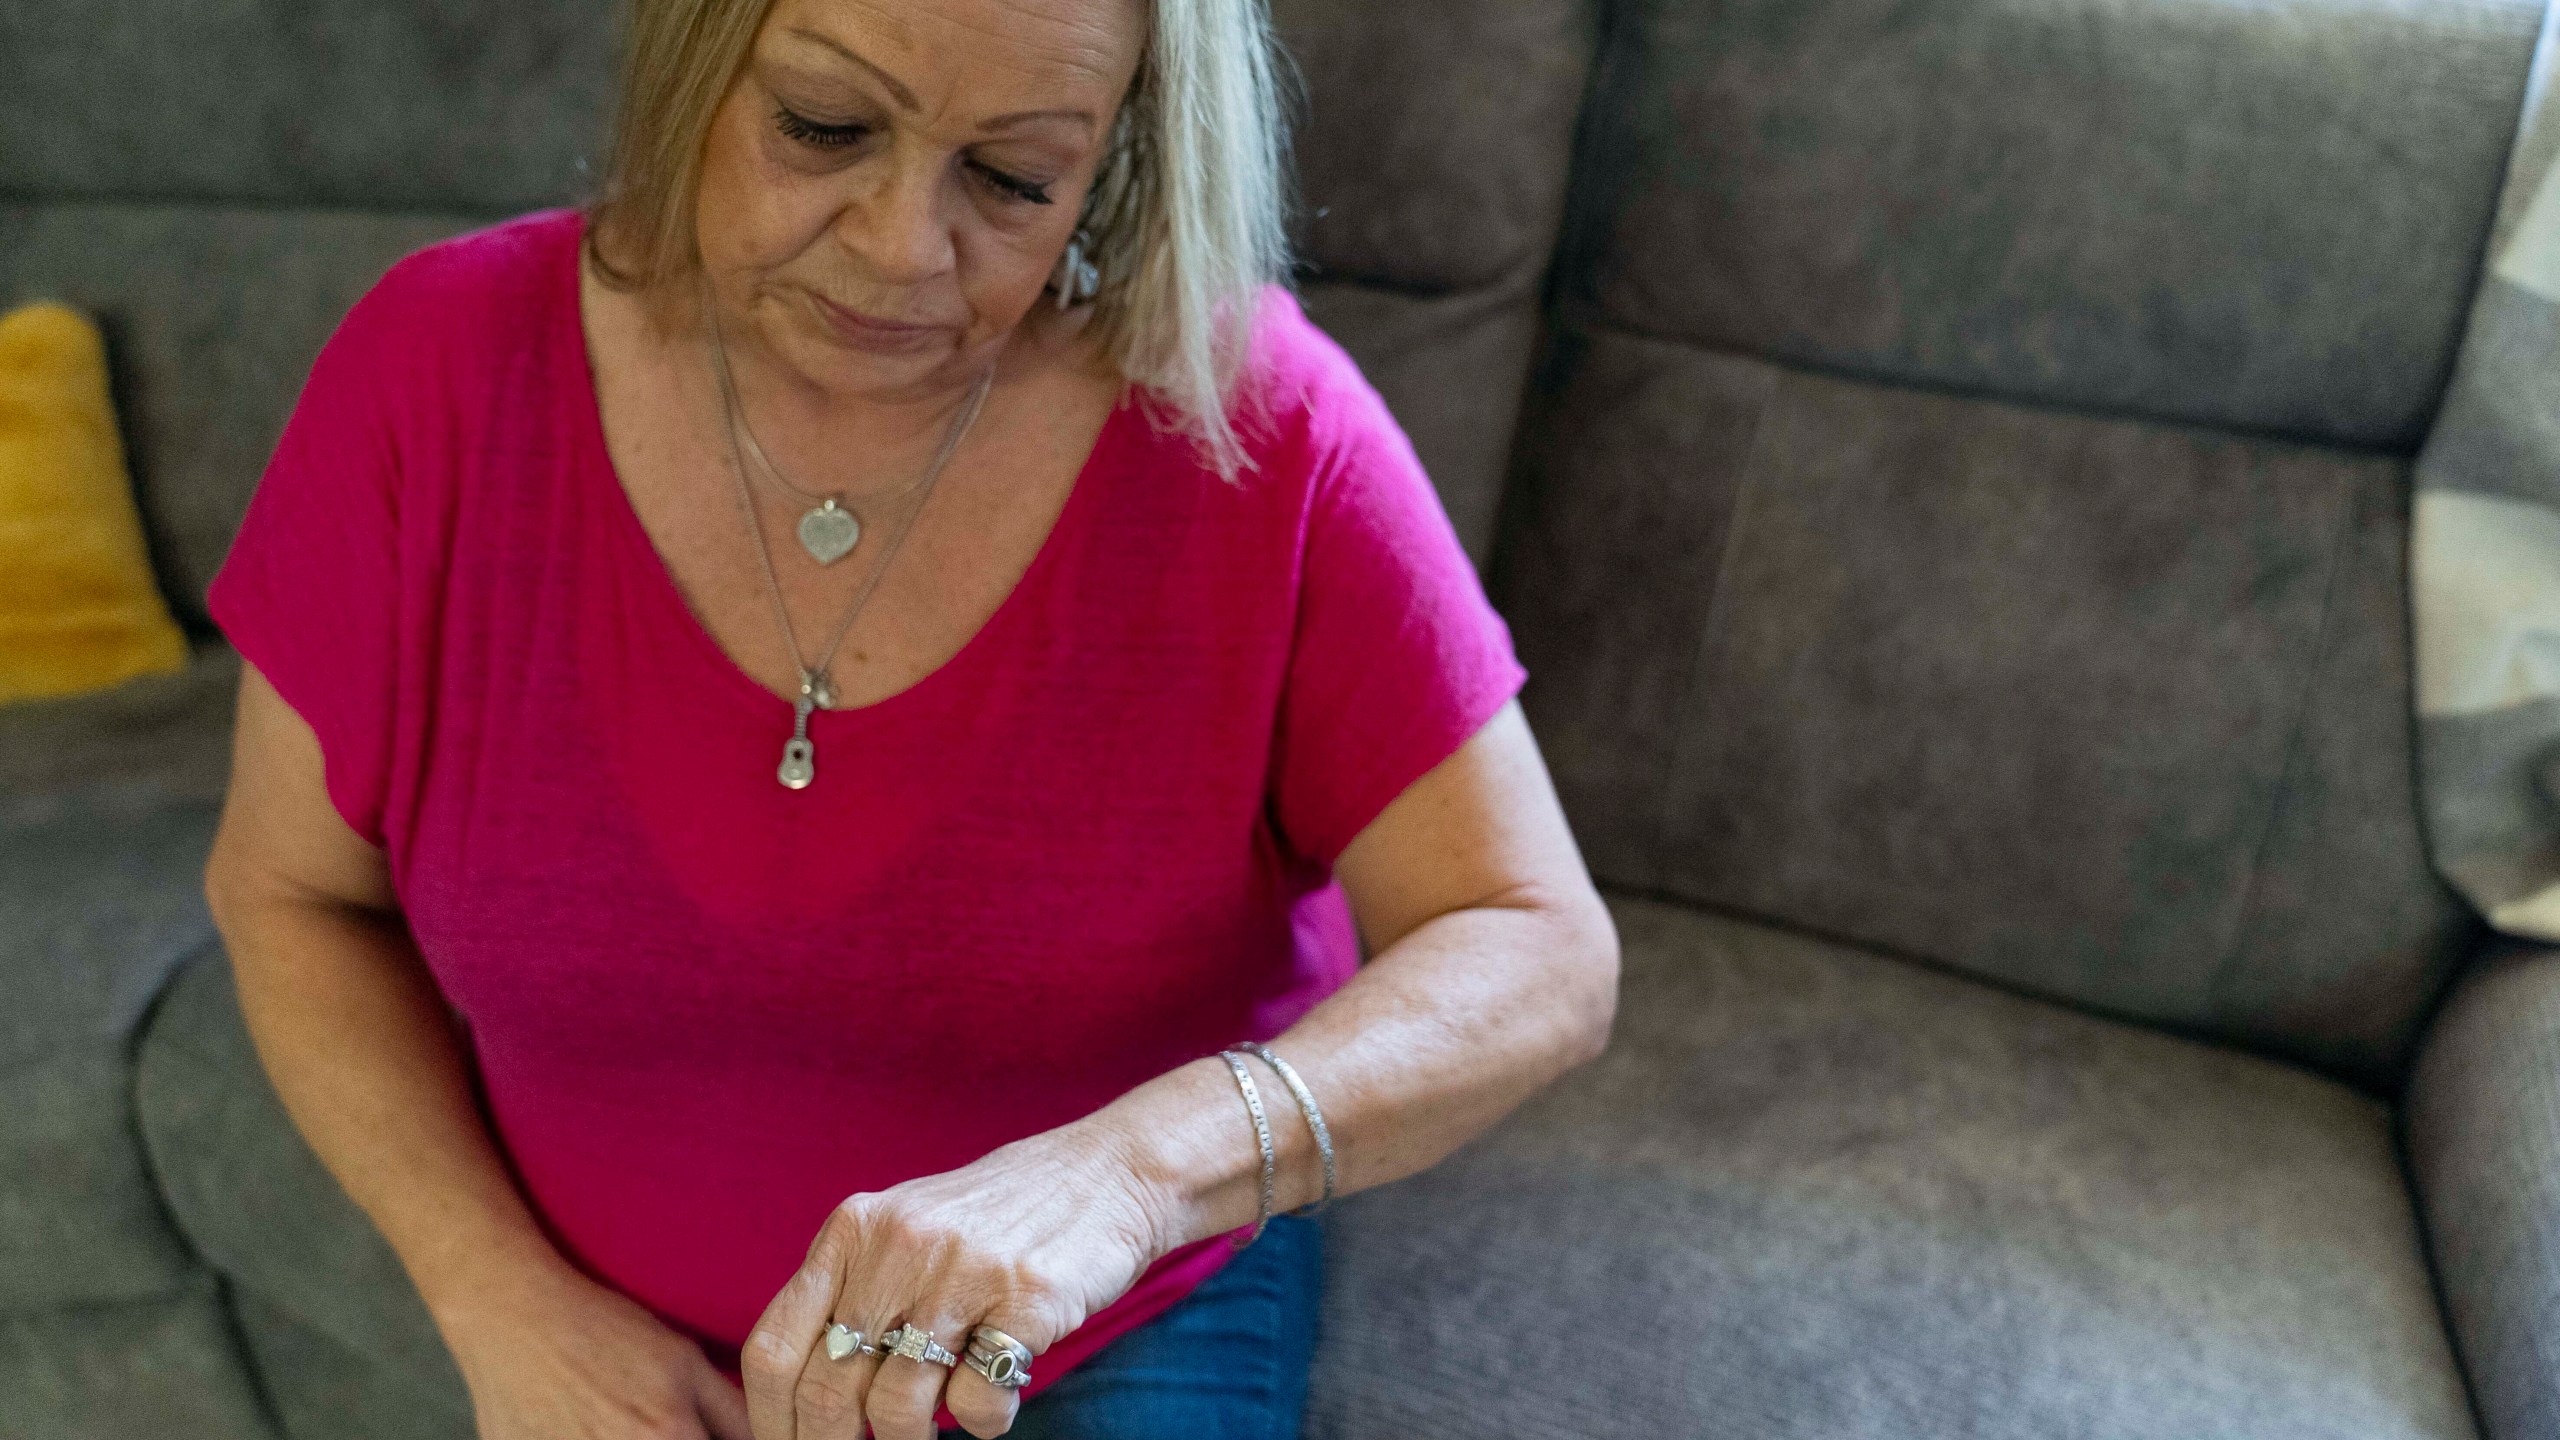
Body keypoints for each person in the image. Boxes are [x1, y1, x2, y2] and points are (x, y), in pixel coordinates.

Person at [197, 0, 1621, 1434]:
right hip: (590, 1310)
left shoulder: (1252, 422)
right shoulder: (436, 375)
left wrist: (1130, 1176)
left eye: (1012, 180)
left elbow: (1536, 943)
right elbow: (295, 897)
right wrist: (493, 1293)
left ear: (1116, 152)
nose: (902, 247)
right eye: (824, 128)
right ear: (699, 57)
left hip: (1103, 1319)